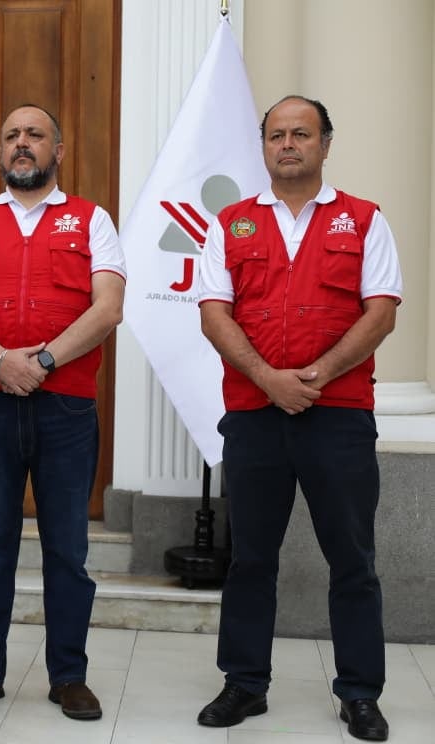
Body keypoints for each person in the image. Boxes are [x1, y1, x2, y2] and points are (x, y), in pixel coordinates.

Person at [196, 95, 400, 742]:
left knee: (353, 559)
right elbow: (213, 312)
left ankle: (360, 693)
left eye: (301, 134)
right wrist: (267, 378)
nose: (288, 144)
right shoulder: (230, 223)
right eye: (277, 135)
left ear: (325, 144)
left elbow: (381, 311)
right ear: (264, 147)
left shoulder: (364, 220)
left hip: (337, 416)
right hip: (255, 416)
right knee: (251, 557)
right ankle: (244, 684)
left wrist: (319, 375)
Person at [0, 104, 126, 721]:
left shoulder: (92, 220)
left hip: (65, 408)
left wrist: (40, 359)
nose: (22, 144)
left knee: (67, 547)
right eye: (11, 135)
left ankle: (69, 675)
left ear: (57, 152)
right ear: (0, 152)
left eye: (35, 135)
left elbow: (108, 307)